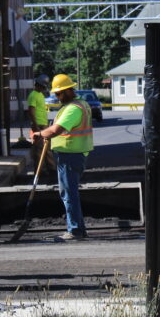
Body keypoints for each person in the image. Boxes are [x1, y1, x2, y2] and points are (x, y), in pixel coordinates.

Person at [38, 73, 93, 240]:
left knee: (69, 194)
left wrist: (40, 134)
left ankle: (74, 230)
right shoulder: (79, 104)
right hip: (72, 154)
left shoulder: (73, 109)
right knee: (70, 193)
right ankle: (79, 229)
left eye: (58, 93)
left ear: (68, 90)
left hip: (70, 155)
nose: (57, 96)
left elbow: (57, 130)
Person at [25, 73, 56, 171]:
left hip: (43, 124)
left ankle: (51, 168)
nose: (43, 88)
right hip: (38, 124)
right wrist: (35, 125)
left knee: (47, 147)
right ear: (38, 85)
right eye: (42, 86)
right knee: (39, 148)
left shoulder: (40, 95)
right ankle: (39, 170)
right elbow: (31, 111)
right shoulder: (33, 95)